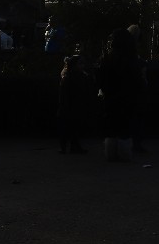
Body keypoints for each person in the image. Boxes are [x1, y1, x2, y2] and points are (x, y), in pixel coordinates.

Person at [96, 28, 141, 162]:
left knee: (111, 126)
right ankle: (124, 152)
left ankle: (110, 151)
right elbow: (136, 79)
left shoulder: (107, 58)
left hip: (110, 97)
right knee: (125, 126)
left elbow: (101, 79)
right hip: (127, 97)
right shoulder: (131, 59)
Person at [56, 48, 93, 154]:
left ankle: (71, 146)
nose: (82, 66)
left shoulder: (78, 76)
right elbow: (64, 95)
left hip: (76, 105)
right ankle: (67, 146)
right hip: (70, 106)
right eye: (80, 64)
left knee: (74, 127)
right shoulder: (69, 77)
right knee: (69, 127)